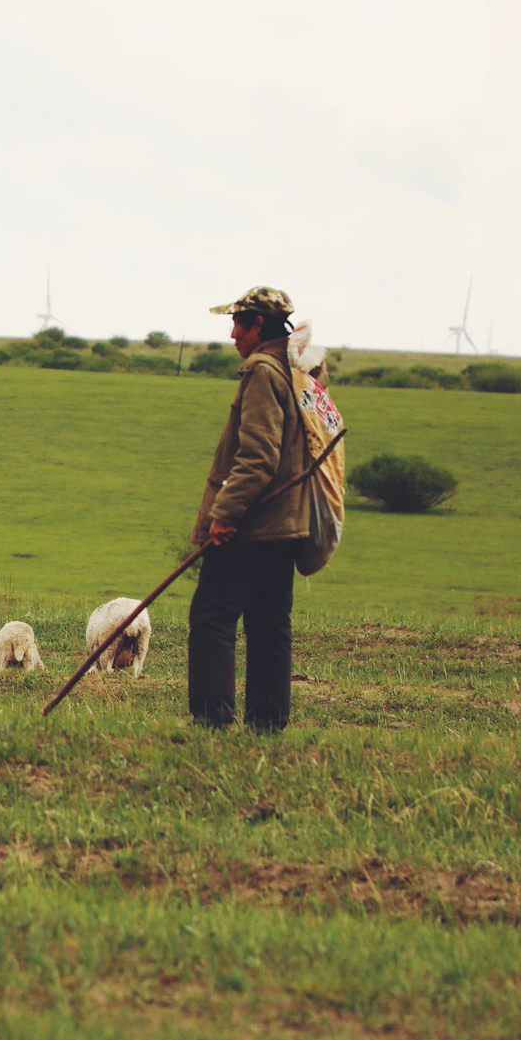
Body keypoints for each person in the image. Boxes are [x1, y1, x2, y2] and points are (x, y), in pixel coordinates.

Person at [189, 286, 310, 730]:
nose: (233, 333)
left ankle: (212, 722)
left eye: (239, 322)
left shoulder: (262, 371)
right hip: (288, 522)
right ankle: (268, 724)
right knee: (269, 625)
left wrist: (225, 514)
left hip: (253, 524)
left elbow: (258, 457)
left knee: (211, 618)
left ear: (259, 324)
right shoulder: (296, 368)